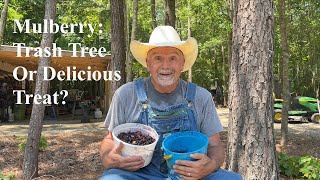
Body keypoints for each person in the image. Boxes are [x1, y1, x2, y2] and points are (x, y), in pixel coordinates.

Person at [99, 26, 242, 180]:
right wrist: (109, 158)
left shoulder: (201, 97)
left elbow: (215, 146)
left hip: (191, 175)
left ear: (182, 63)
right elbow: (109, 140)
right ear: (148, 63)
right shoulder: (126, 94)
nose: (165, 66)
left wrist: (210, 165)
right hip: (139, 174)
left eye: (173, 58)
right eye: (158, 58)